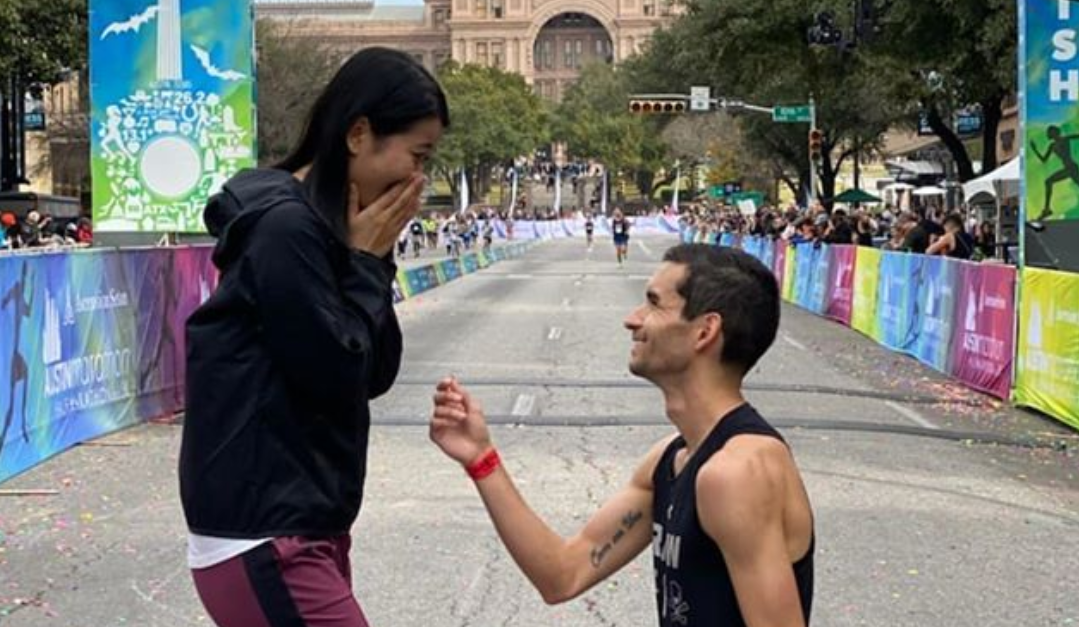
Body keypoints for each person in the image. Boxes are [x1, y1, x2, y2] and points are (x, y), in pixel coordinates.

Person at [180, 47, 449, 627]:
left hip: (301, 527)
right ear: (359, 134)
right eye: (417, 154)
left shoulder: (326, 231)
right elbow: (336, 373)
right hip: (264, 531)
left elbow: (375, 371)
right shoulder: (284, 229)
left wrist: (369, 261)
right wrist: (366, 265)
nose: (418, 177)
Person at [430, 244, 815, 627]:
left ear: (705, 331)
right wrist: (482, 459)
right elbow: (563, 575)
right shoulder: (670, 459)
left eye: (653, 303)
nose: (632, 319)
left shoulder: (737, 471)